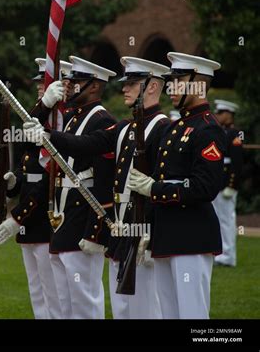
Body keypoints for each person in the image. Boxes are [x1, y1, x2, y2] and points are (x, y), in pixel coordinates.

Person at [24, 57, 169, 319]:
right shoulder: (124, 127)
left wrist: (148, 227)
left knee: (146, 309)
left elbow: (158, 182)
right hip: (119, 230)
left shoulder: (163, 127)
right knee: (121, 308)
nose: (124, 88)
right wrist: (46, 129)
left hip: (139, 229)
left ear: (152, 87)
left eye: (133, 83)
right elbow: (86, 145)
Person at [16, 56, 117, 319]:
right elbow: (27, 138)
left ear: (94, 86)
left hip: (83, 214)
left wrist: (50, 136)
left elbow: (86, 147)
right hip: (61, 215)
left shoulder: (103, 120)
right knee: (64, 302)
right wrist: (45, 104)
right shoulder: (68, 117)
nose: (69, 86)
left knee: (83, 299)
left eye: (77, 81)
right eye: (69, 81)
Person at [127, 52, 226, 319]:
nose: (171, 87)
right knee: (169, 313)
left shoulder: (208, 129)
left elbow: (204, 187)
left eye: (179, 80)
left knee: (192, 313)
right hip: (166, 235)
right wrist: (146, 229)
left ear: (198, 84)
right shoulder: (175, 128)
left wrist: (153, 190)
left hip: (191, 236)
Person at [0, 58, 71, 319]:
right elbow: (29, 172)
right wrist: (12, 184)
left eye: (44, 86)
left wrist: (16, 218)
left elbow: (48, 179)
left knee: (54, 296)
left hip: (48, 223)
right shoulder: (38, 123)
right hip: (30, 224)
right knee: (37, 294)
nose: (40, 90)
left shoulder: (62, 127)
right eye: (39, 86)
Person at [212, 99, 243, 267]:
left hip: (227, 185)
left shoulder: (235, 133)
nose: (218, 116)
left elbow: (237, 162)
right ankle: (222, 254)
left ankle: (229, 256)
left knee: (227, 221)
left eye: (220, 113)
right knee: (219, 220)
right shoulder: (222, 132)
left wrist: (232, 185)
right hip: (219, 183)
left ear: (229, 114)